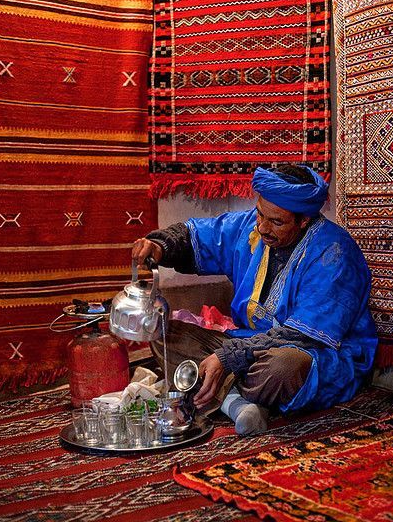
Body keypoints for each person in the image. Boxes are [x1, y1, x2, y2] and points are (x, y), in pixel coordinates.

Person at [131, 164, 377, 435]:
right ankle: (240, 404)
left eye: (276, 222)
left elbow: (304, 335)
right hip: (247, 341)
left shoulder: (334, 252)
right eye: (260, 214)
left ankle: (225, 395)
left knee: (282, 369)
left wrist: (229, 358)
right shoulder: (252, 227)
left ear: (304, 220)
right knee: (164, 335)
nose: (262, 227)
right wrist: (160, 245)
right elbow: (200, 236)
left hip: (309, 351)